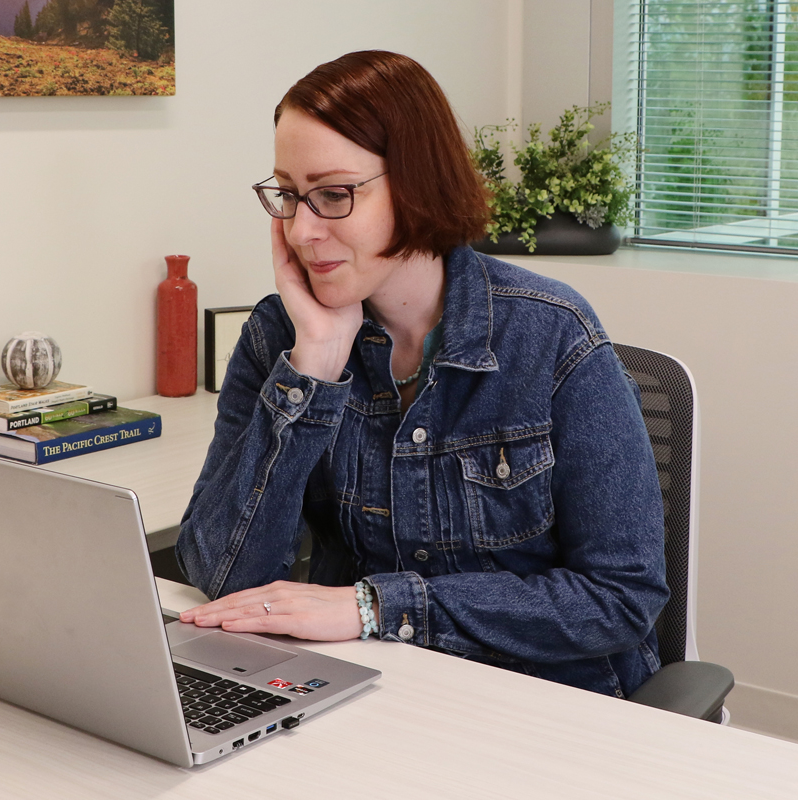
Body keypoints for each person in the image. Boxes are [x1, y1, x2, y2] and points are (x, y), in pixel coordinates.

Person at [174, 50, 669, 698]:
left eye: (333, 195)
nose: (301, 231)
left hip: (549, 704)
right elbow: (227, 580)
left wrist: (375, 607)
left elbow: (621, 599)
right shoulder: (280, 337)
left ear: (417, 183)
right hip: (368, 696)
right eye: (289, 197)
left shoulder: (552, 337)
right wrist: (315, 366)